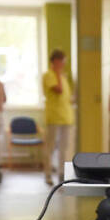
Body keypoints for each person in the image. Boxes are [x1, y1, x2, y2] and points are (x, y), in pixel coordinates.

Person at [42, 48, 75, 185]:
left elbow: (67, 97)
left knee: (64, 147)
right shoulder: (49, 75)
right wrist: (56, 72)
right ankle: (48, 174)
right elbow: (59, 90)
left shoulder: (63, 77)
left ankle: (62, 173)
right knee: (50, 147)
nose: (63, 64)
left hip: (66, 117)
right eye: (62, 61)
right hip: (54, 116)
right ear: (55, 61)